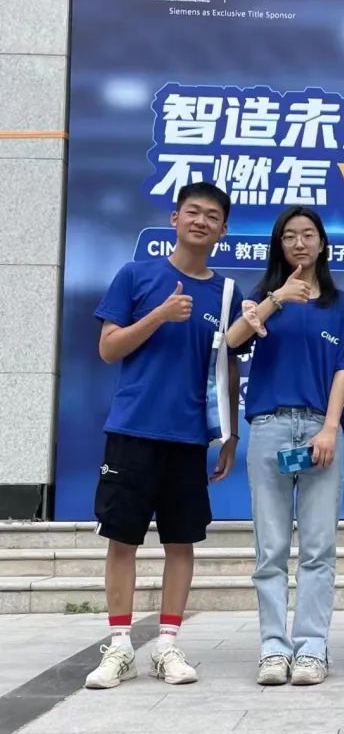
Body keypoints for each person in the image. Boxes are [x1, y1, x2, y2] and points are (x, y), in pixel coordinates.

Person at [85, 182, 243, 690]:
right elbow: (109, 348)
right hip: (132, 429)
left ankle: (168, 645)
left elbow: (226, 368)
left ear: (223, 230)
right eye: (193, 212)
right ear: (175, 219)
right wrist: (159, 314)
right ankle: (120, 646)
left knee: (181, 540)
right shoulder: (136, 275)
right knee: (122, 539)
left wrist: (229, 434)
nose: (201, 221)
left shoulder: (227, 293)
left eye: (212, 216)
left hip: (189, 436)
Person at [224, 206, 344, 686]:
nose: (299, 243)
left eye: (308, 234)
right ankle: (272, 648)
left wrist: (330, 428)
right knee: (271, 548)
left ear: (323, 243)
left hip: (320, 428)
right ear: (279, 245)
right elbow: (233, 341)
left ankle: (311, 648)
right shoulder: (263, 296)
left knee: (318, 548)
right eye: (289, 236)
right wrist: (277, 299)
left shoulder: (342, 305)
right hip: (269, 426)